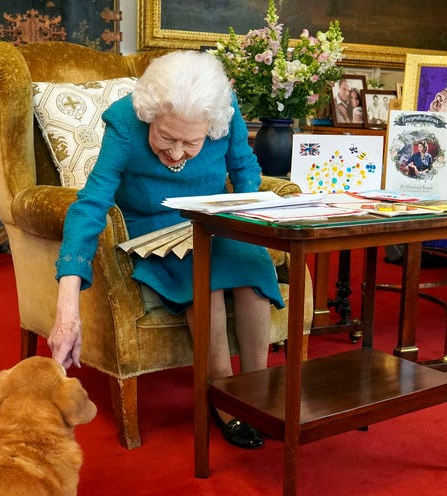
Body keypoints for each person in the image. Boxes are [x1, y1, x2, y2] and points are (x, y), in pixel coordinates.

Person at [49, 50, 283, 450]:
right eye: (165, 137)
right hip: (152, 226)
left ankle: (255, 393)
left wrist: (250, 223)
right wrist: (67, 303)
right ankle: (223, 398)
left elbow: (244, 171)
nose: (176, 154)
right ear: (149, 115)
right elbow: (91, 203)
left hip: (214, 219)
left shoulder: (223, 110)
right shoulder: (125, 120)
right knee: (204, 284)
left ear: (211, 124)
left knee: (253, 279)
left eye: (190, 142)